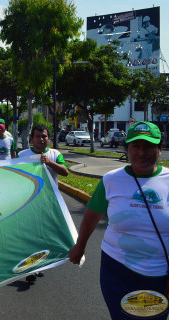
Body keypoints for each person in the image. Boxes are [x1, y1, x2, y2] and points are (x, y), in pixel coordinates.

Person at [69, 121, 169, 319]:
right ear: (126, 149)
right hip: (117, 269)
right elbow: (92, 215)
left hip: (160, 273)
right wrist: (80, 246)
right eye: (136, 146)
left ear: (159, 149)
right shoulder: (111, 180)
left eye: (149, 146)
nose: (142, 152)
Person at [18, 125, 69, 283]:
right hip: (28, 204)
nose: (41, 139)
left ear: (48, 138)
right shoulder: (22, 155)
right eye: (38, 136)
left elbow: (65, 171)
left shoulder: (54, 154)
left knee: (44, 238)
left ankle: (38, 265)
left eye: (44, 136)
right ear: (31, 139)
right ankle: (30, 268)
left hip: (49, 204)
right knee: (30, 236)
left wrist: (49, 162)